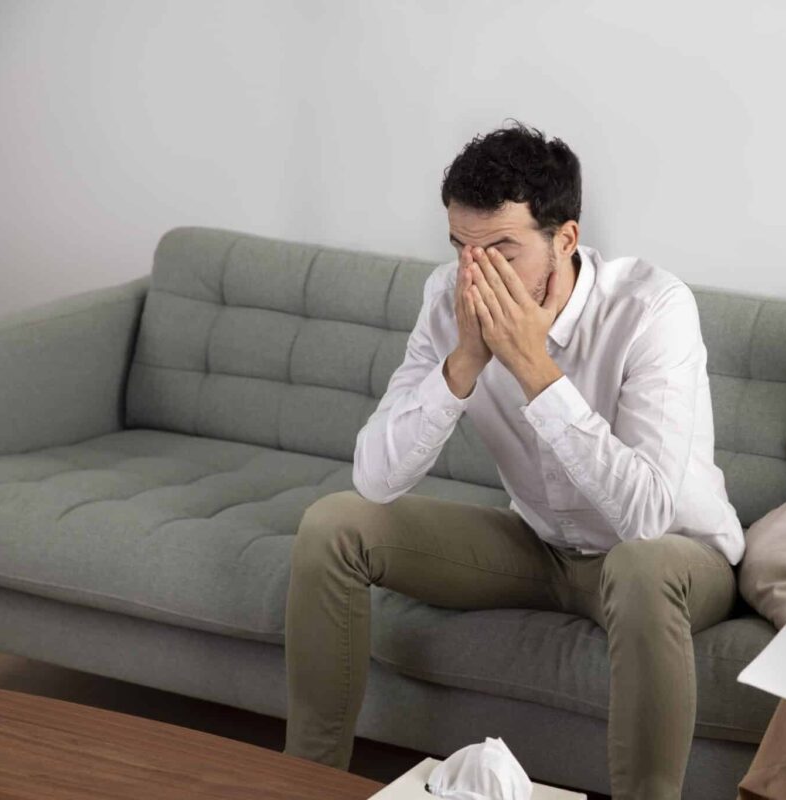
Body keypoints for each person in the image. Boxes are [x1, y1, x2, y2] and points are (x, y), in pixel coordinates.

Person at [281, 121, 744, 800]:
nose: (479, 274)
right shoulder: (448, 298)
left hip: (674, 556)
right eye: (463, 249)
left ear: (566, 238)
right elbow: (375, 477)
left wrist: (533, 367)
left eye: (503, 249)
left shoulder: (652, 307)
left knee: (640, 563)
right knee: (334, 524)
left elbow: (647, 515)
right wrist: (466, 359)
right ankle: (303, 783)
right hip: (541, 546)